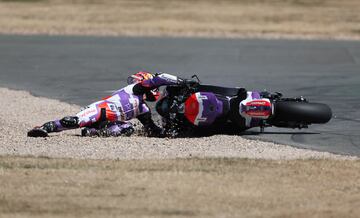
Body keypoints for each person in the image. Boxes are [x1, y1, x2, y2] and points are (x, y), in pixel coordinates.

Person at [27, 72, 181, 137]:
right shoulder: (134, 89)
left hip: (110, 121)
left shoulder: (143, 109)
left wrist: (170, 133)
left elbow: (151, 129)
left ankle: (92, 132)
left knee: (127, 128)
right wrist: (181, 81)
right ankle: (43, 128)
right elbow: (159, 78)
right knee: (72, 122)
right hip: (100, 110)